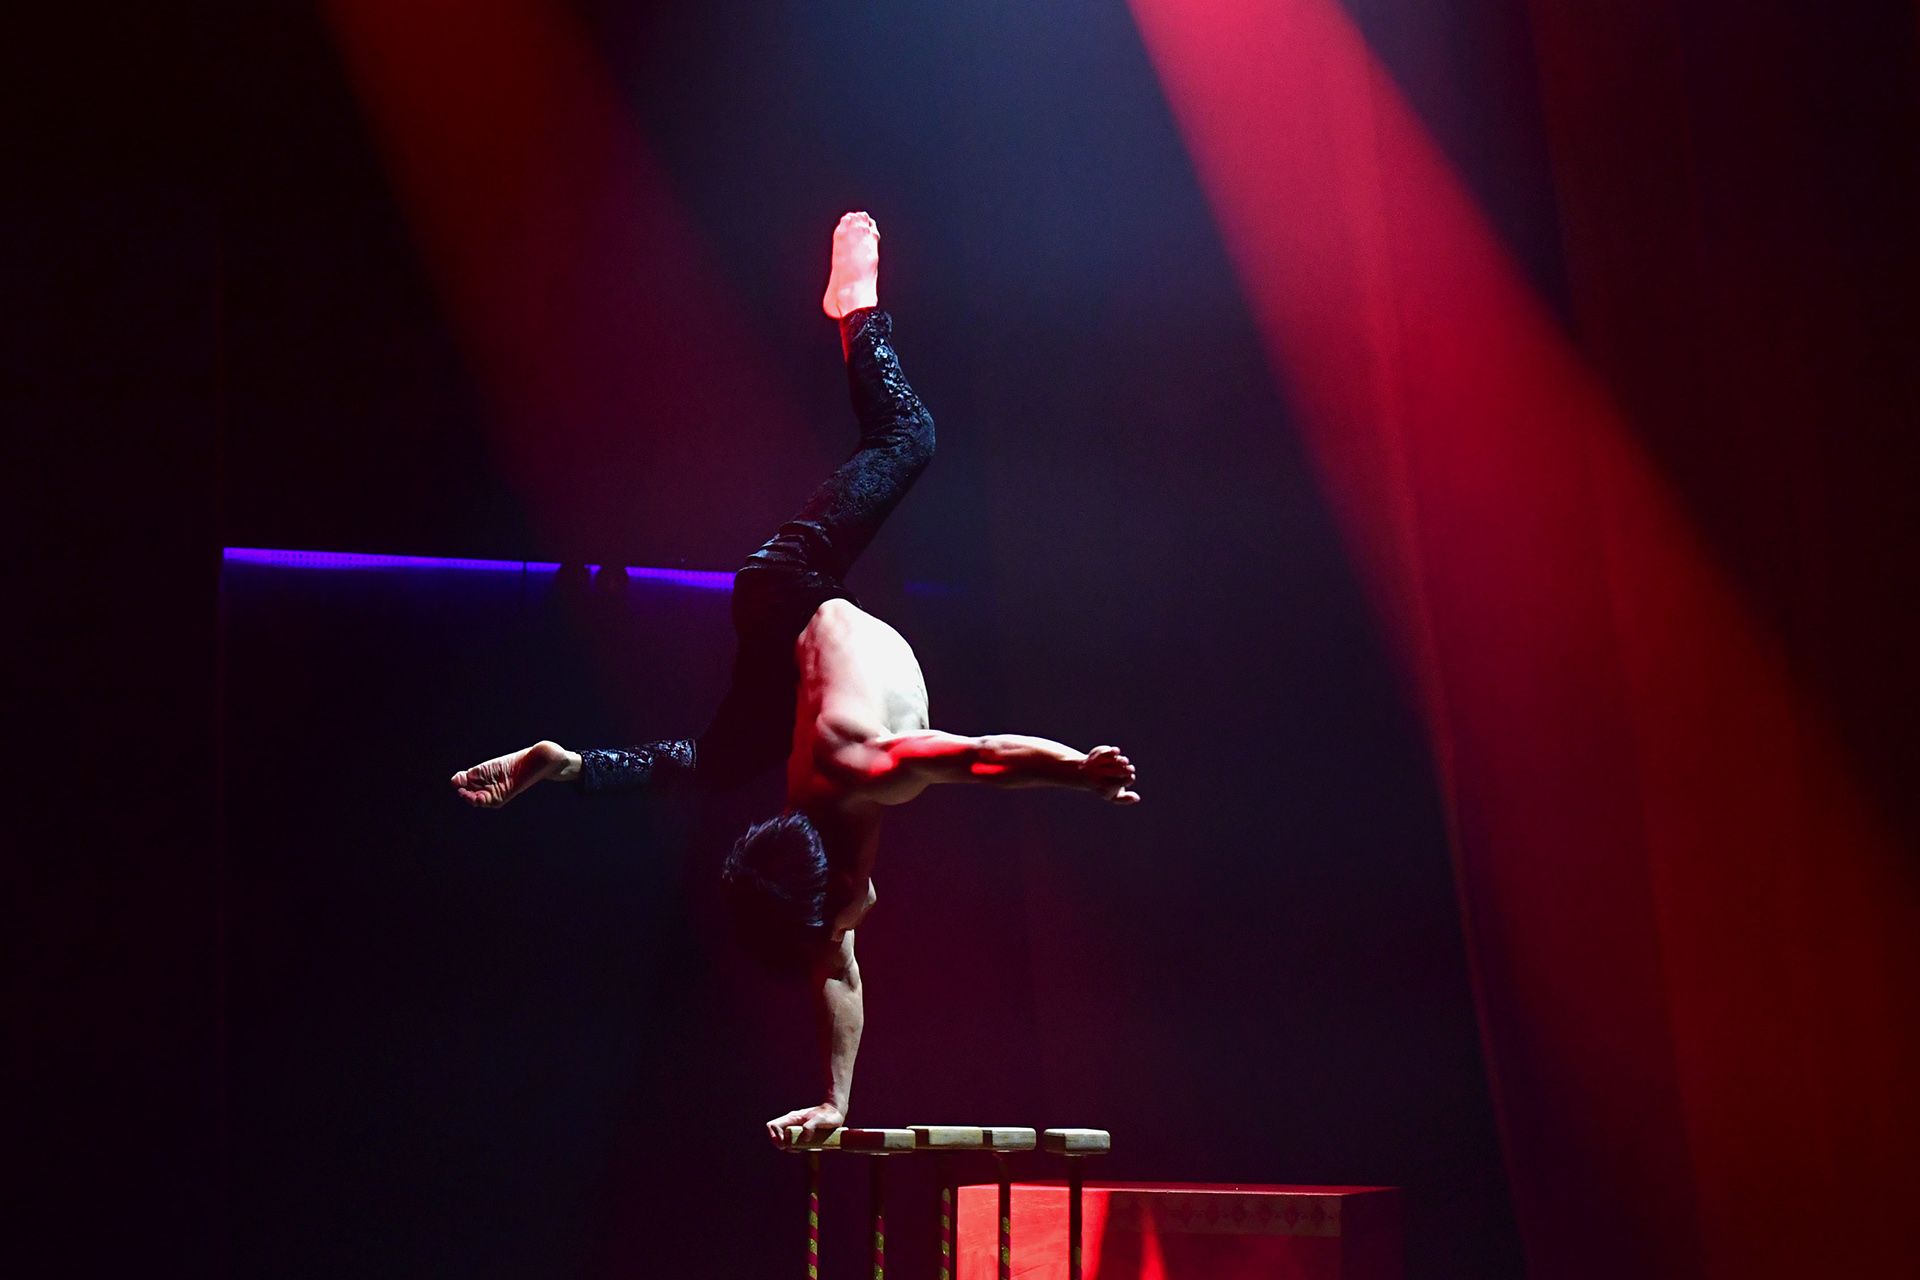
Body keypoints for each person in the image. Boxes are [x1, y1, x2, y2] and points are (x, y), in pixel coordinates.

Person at [451, 212, 1140, 1146]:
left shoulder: (866, 770)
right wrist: (836, 1102)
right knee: (719, 757)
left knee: (909, 438)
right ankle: (565, 763)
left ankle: (854, 310)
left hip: (788, 586)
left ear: (834, 890)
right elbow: (836, 974)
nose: (846, 940)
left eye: (833, 930)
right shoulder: (811, 864)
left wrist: (1078, 770)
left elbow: (983, 758)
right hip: (787, 660)